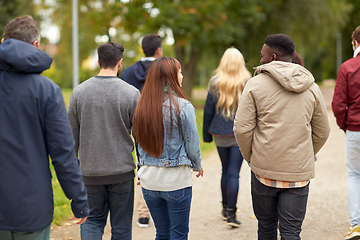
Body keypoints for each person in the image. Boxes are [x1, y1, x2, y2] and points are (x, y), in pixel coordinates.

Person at [233, 34, 330, 239]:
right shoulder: (311, 87)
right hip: (298, 175)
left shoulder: (255, 84)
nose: (260, 60)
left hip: (263, 172)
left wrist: (252, 156)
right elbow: (323, 131)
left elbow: (242, 129)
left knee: (266, 227)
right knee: (291, 232)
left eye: (262, 55)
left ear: (273, 57)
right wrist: (304, 154)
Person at [0, 15, 89, 240]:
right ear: (36, 45)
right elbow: (63, 152)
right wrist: (79, 200)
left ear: (3, 42)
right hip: (30, 208)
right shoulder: (47, 90)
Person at [68, 42, 140, 240]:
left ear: (98, 62)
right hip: (122, 172)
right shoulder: (132, 93)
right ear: (120, 63)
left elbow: (71, 139)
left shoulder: (79, 93)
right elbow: (140, 136)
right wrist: (142, 166)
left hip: (89, 173)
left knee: (91, 222)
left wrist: (73, 171)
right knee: (122, 228)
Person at [133, 56, 204, 239]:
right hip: (175, 181)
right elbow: (192, 144)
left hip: (149, 182)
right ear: (171, 75)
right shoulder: (183, 106)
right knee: (178, 235)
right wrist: (197, 165)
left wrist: (142, 168)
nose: (181, 75)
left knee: (162, 233)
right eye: (179, 72)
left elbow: (139, 143)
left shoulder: (142, 106)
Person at [203, 47, 251, 228]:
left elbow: (208, 111)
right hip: (239, 134)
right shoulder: (248, 81)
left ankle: (225, 210)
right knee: (233, 173)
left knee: (225, 171)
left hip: (220, 133)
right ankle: (231, 213)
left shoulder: (215, 82)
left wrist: (206, 136)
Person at [122, 33, 163, 228]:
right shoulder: (164, 69)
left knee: (143, 166)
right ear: (159, 50)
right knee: (163, 164)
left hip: (138, 125)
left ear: (142, 49)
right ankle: (162, 210)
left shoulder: (129, 72)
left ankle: (143, 214)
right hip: (163, 124)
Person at [332, 25, 360, 240]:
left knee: (354, 175)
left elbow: (339, 104)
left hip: (356, 129)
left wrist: (345, 125)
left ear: (355, 43)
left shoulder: (348, 67)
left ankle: (357, 225)